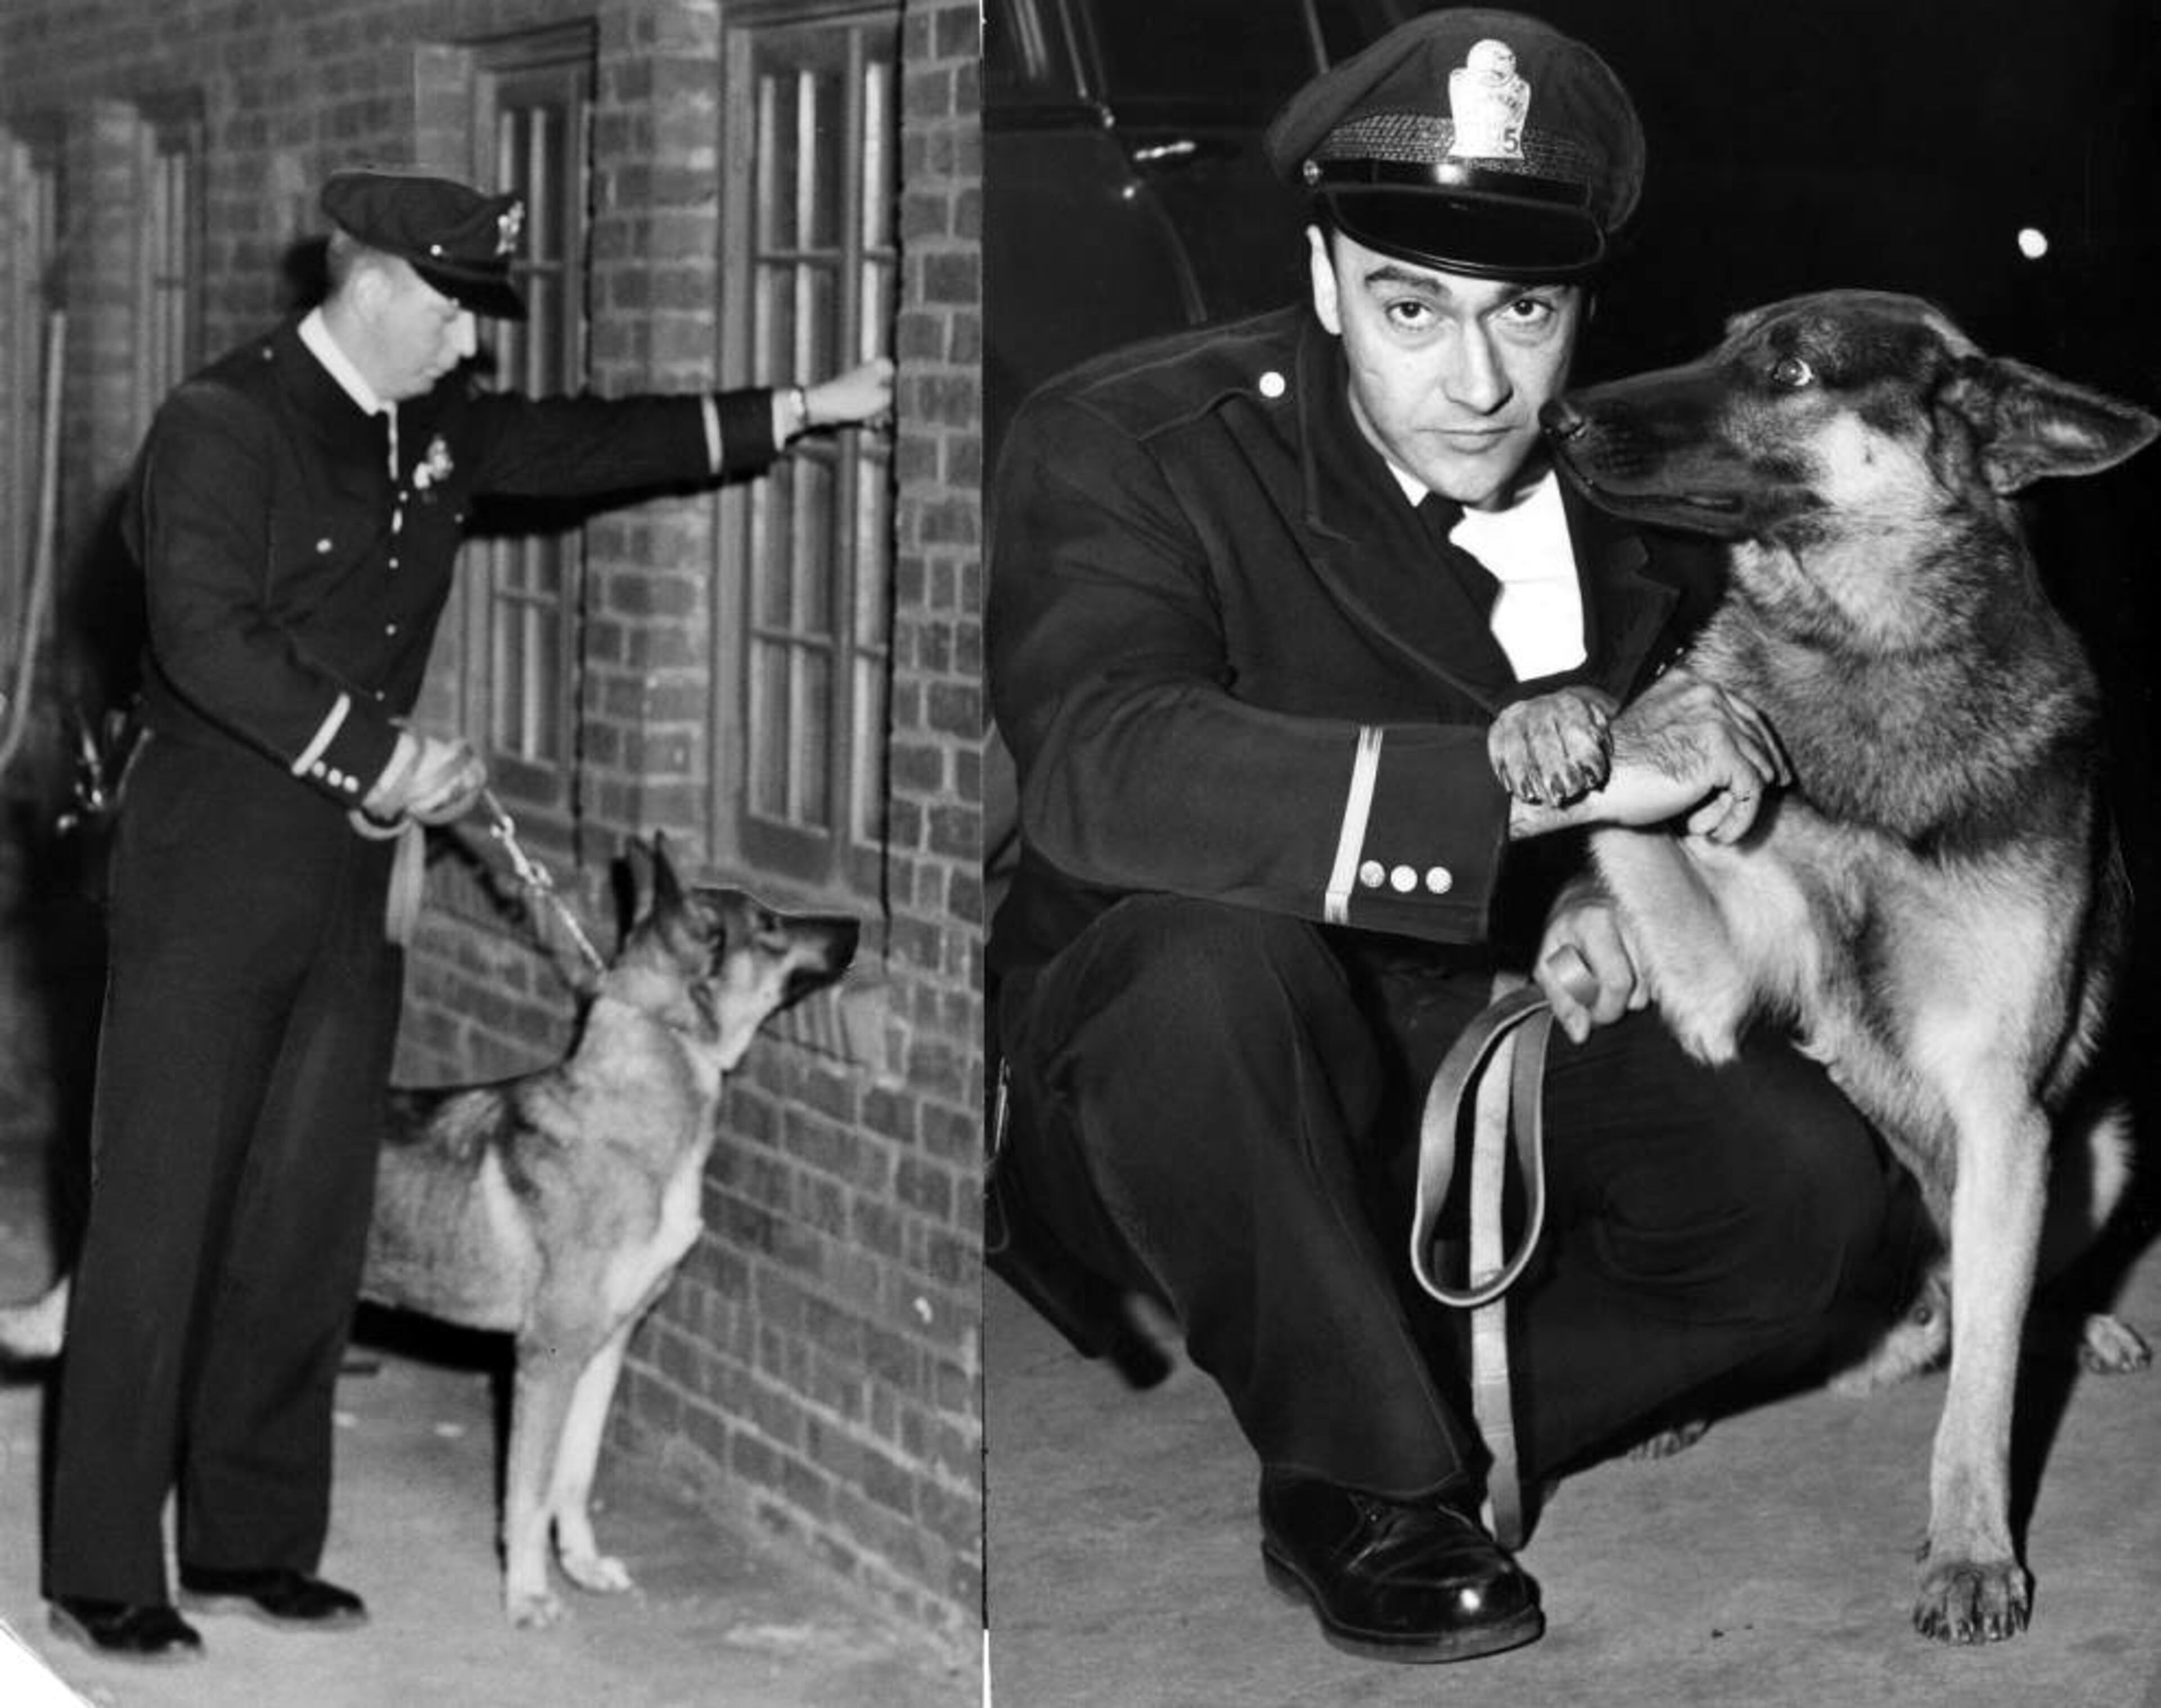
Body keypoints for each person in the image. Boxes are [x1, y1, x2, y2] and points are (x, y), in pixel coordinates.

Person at [988, 10, 1905, 1665]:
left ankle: (1433, 1389)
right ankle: (1362, 1477)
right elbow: (1104, 770)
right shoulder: (1132, 443)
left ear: (1578, 309)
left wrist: (1642, 885)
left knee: (1814, 1203)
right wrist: (1553, 792)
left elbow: (1764, 777)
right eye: (1412, 309)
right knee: (1204, 956)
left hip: (1484, 1047)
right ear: (1329, 279)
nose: (1478, 382)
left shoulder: (1633, 491)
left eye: (1526, 314)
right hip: (1180, 1073)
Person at [42, 167, 891, 1662]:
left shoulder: (431, 425)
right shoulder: (220, 425)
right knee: (163, 1213)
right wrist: (382, 753)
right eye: (451, 309)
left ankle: (253, 1538)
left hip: (357, 876)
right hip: (210, 862)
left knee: (306, 1220)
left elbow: (593, 439)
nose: (468, 345)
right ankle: (106, 1562)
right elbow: (202, 633)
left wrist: (810, 405)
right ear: (371, 285)